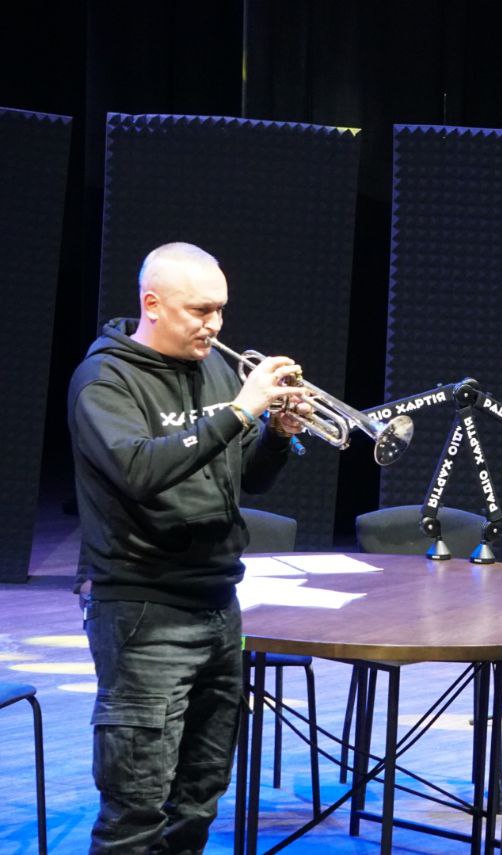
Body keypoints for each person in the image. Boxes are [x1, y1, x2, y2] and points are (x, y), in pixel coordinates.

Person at [68, 242, 311, 853]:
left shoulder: (217, 370)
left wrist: (275, 436)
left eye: (220, 310)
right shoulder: (104, 380)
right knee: (135, 810)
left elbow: (244, 478)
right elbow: (139, 471)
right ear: (152, 305)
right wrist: (242, 411)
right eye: (200, 310)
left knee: (200, 797)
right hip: (143, 610)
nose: (215, 325)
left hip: (218, 606)